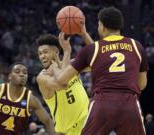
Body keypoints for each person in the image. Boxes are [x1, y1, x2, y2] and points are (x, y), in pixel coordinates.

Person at [52, 7, 149, 135]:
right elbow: (142, 84)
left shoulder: (92, 49)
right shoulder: (137, 46)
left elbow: (62, 80)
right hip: (129, 104)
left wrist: (61, 57)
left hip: (102, 104)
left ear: (102, 27)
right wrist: (84, 34)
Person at [0, 63, 55, 135]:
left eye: (25, 73)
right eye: (17, 71)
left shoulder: (31, 99)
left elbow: (48, 121)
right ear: (9, 76)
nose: (22, 74)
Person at [36, 34, 89, 135]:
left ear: (56, 51)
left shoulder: (71, 65)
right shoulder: (43, 77)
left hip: (88, 124)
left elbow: (97, 60)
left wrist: (84, 33)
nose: (42, 56)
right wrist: (67, 52)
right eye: (39, 53)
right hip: (67, 131)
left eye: (45, 52)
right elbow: (62, 84)